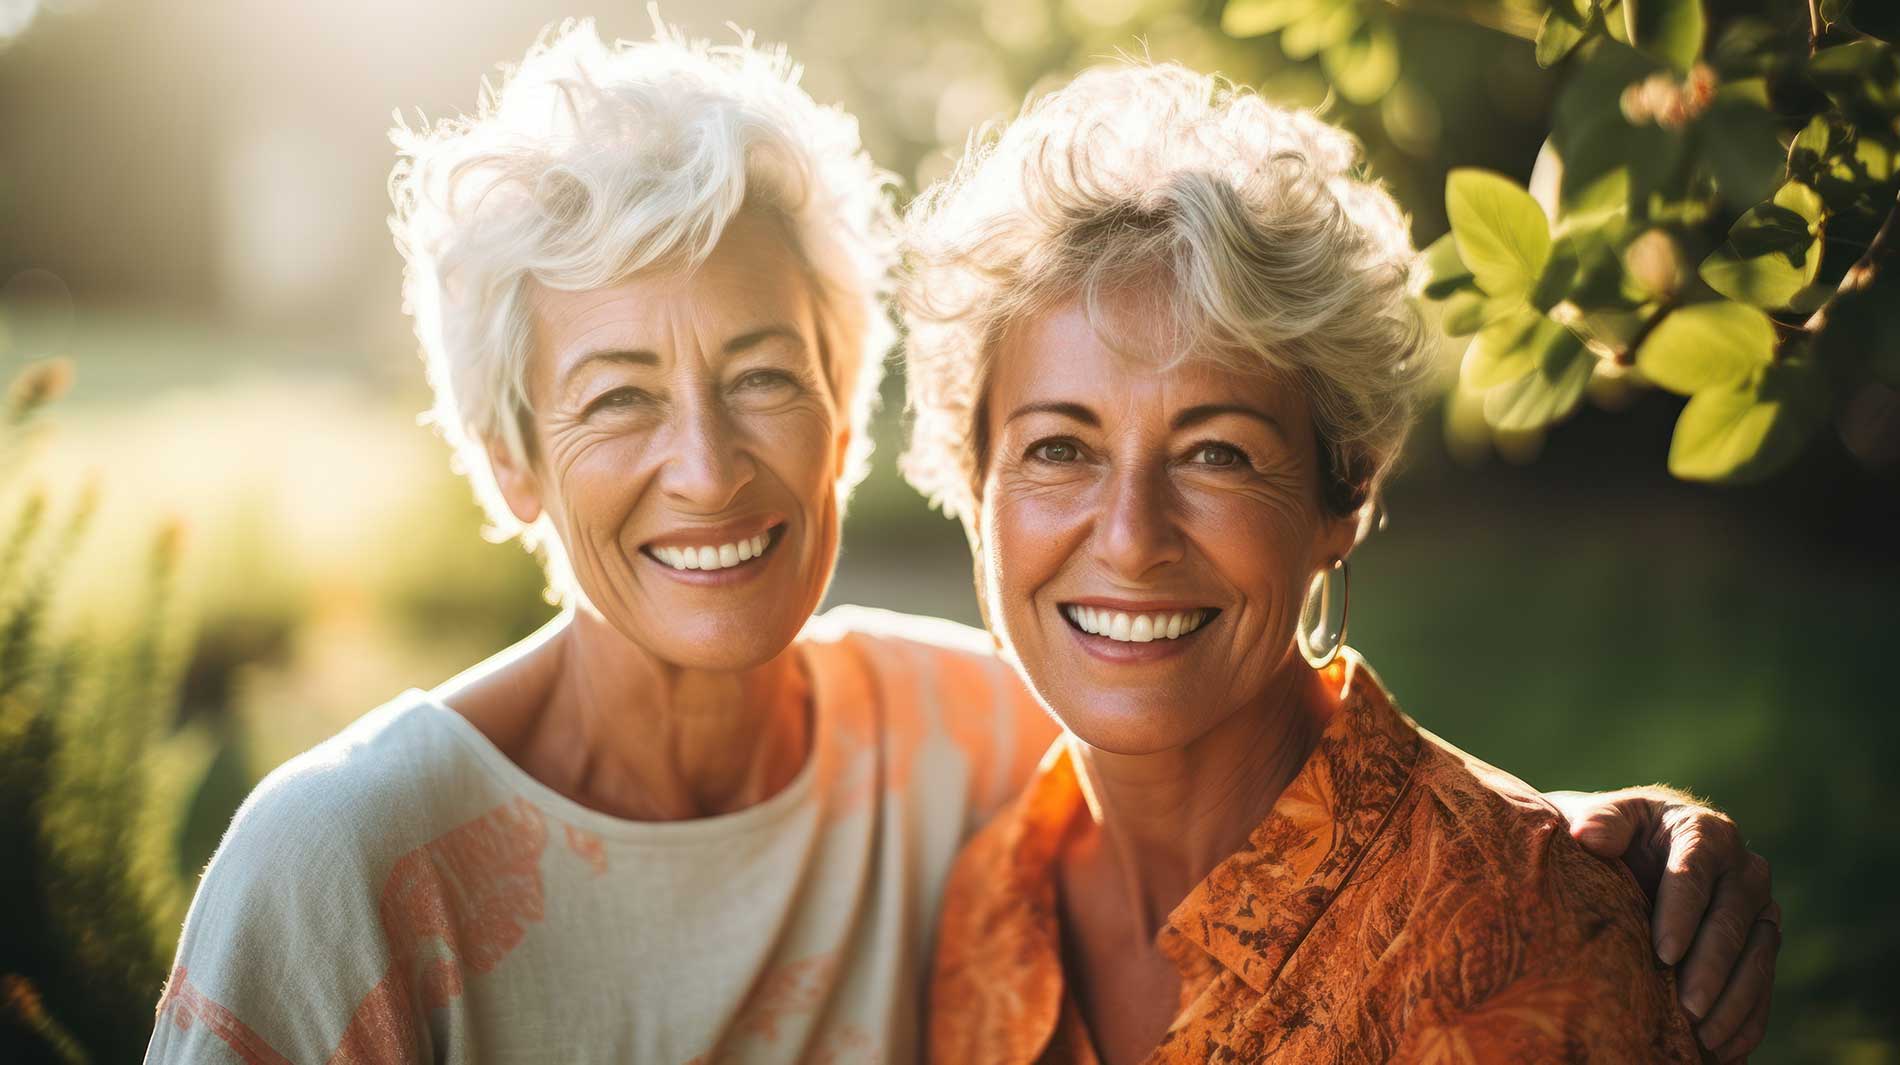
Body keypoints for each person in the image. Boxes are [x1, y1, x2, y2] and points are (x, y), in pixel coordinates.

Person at [145, 20, 1775, 1065]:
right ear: (507, 462)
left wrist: (1576, 852)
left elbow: (1333, 812)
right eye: (618, 397)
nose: (705, 467)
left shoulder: (954, 748)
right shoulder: (347, 864)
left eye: (764, 374)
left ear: (849, 419)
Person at [907, 62, 1776, 1063]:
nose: (1130, 537)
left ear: (1344, 496)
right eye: (1059, 448)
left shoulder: (1521, 939)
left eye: (1216, 453)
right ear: (971, 485)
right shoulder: (980, 908)